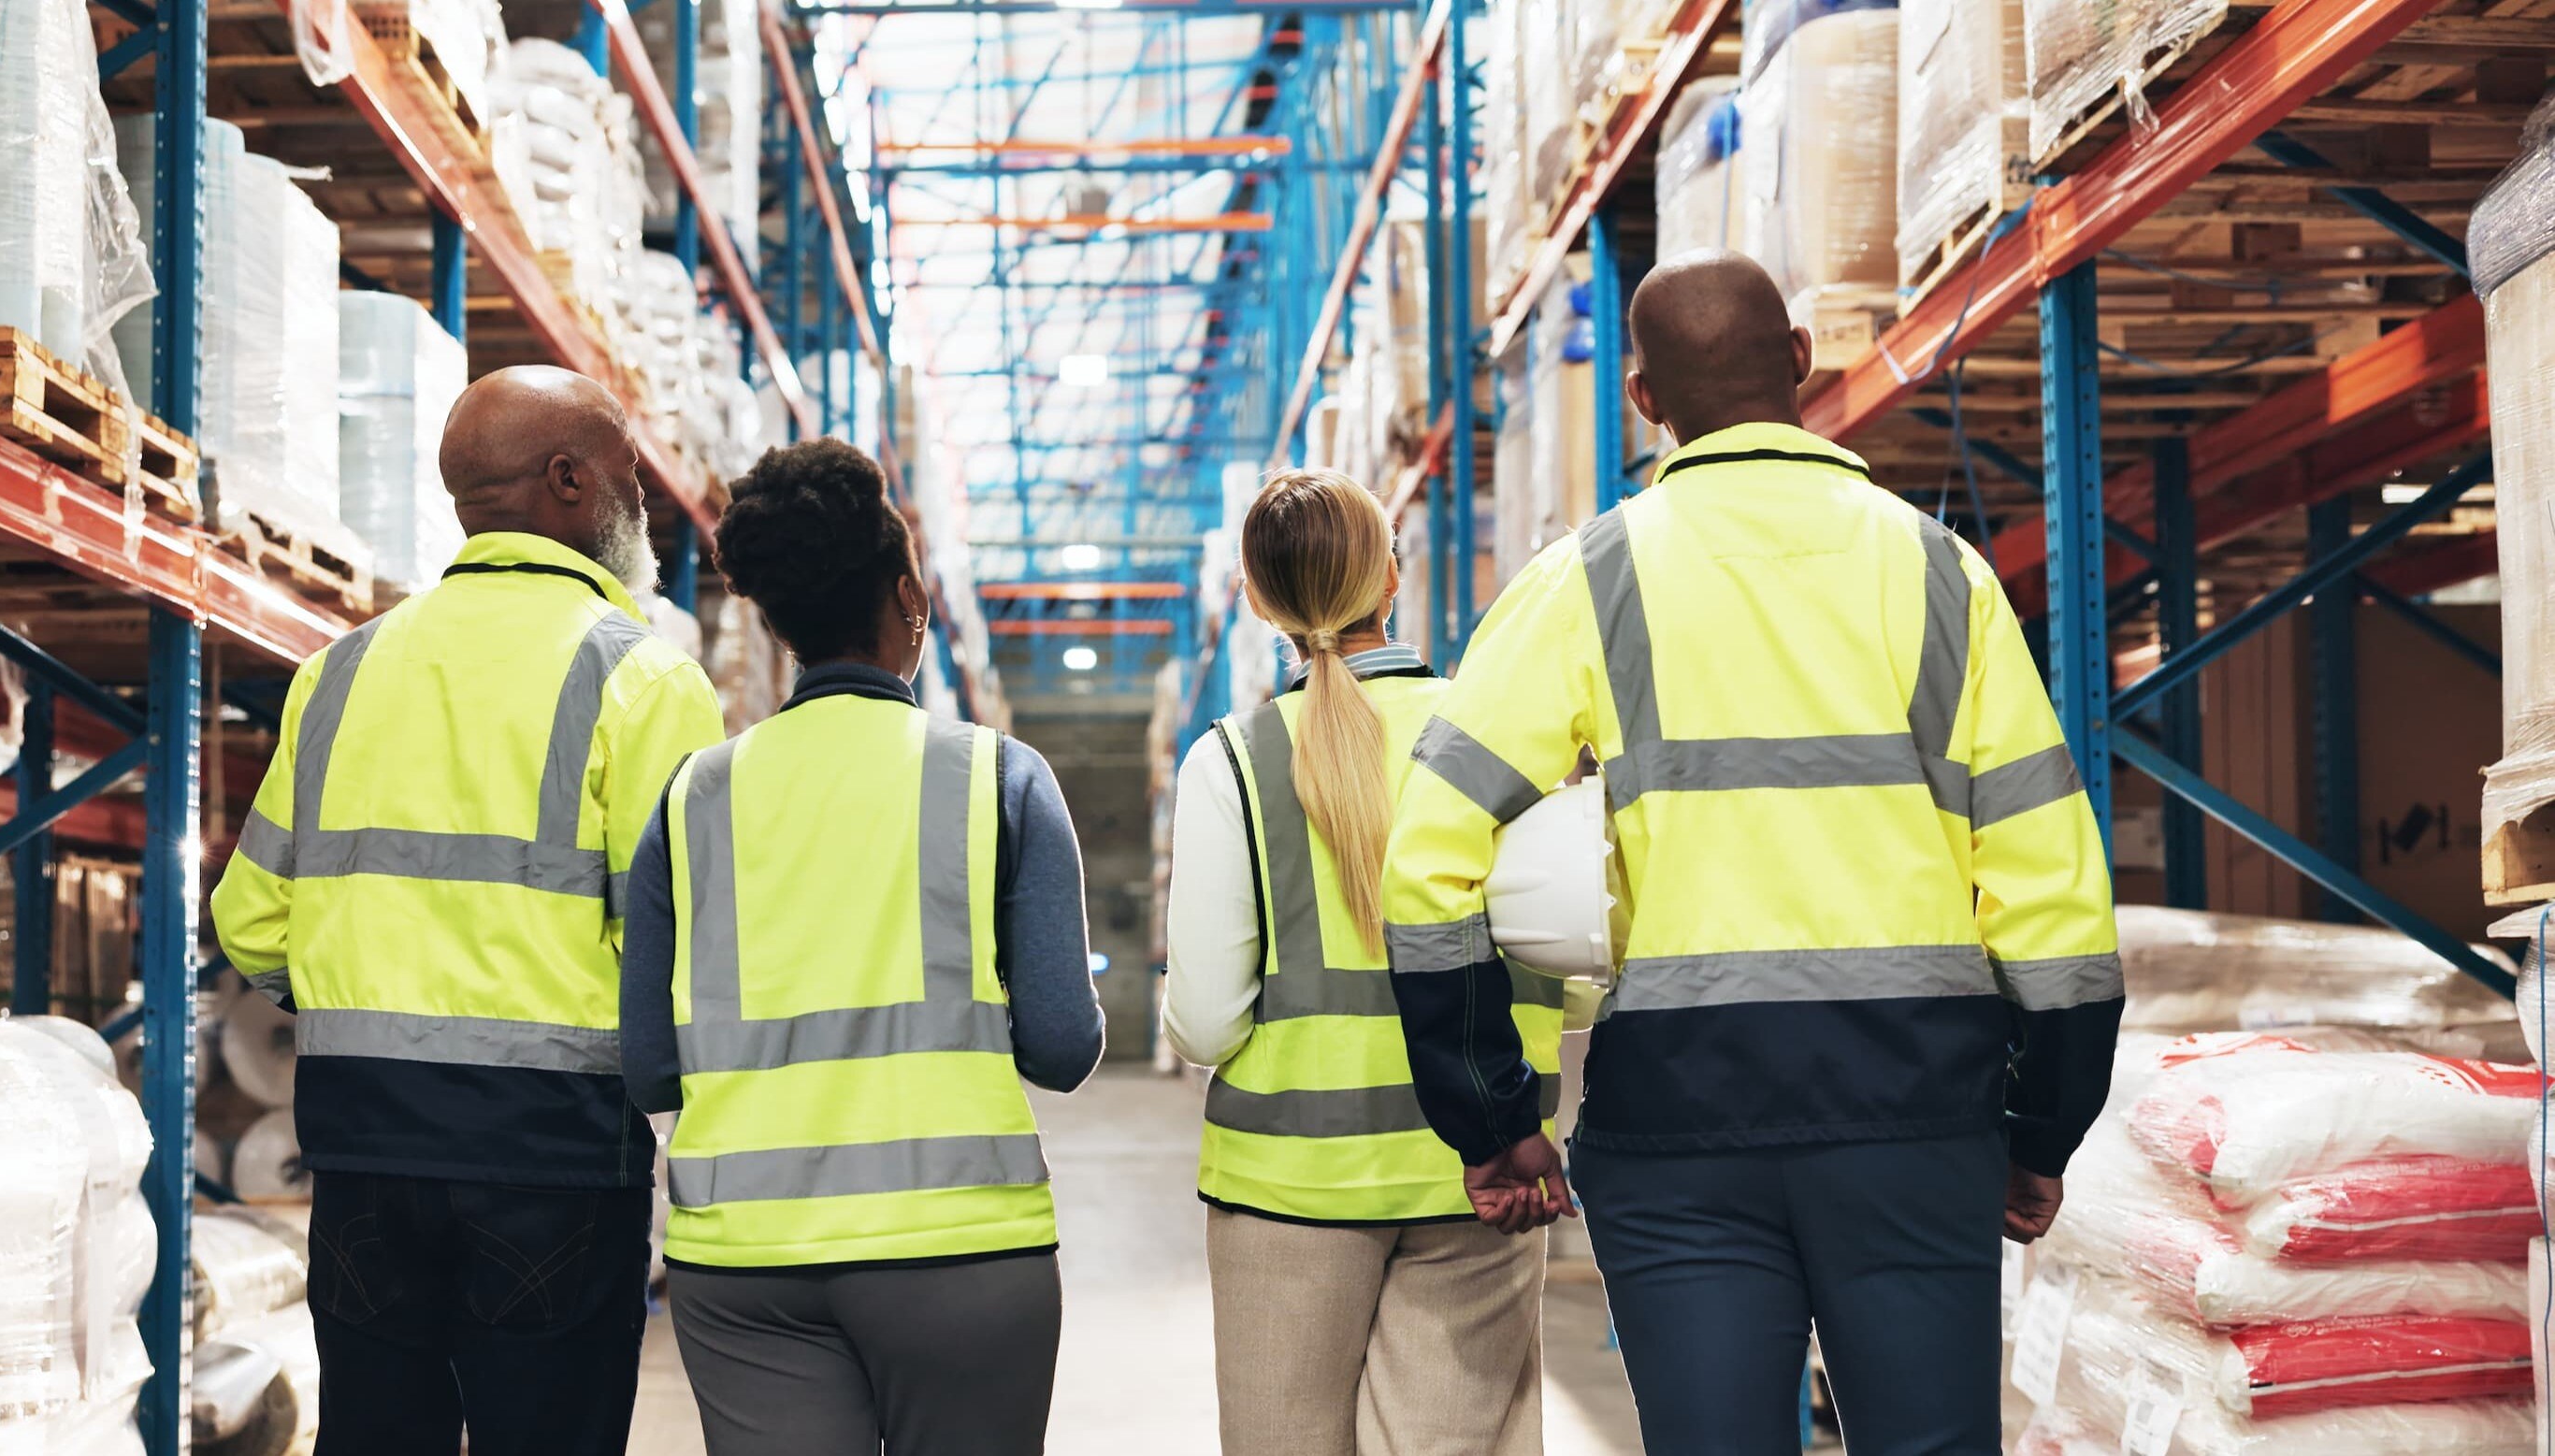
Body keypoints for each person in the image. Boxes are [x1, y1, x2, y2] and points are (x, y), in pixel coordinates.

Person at [1379, 253, 2122, 1454]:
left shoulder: (1587, 578)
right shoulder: (1943, 576)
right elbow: (2054, 895)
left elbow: (1425, 866)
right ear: (1798, 360)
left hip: (1678, 1129)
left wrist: (1492, 1113)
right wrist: (2040, 1129)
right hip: (1916, 1117)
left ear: (1640, 397)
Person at [212, 366, 729, 1455]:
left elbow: (253, 921)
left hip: (358, 1148)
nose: (638, 499)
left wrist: (370, 1010)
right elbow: (680, 952)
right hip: (552, 1157)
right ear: (570, 481)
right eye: (631, 475)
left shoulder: (338, 673)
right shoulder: (642, 679)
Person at [618, 438, 1104, 1456]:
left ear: (775, 619)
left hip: (745, 1264)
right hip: (962, 1256)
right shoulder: (999, 780)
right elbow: (1062, 1047)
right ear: (908, 597)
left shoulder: (693, 797)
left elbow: (652, 1067)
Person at [1162, 469, 1574, 1456]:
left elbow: (1208, 1021)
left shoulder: (1232, 759)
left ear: (1258, 604)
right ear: (1394, 577)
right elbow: (1577, 967)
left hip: (1286, 1188)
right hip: (1476, 1168)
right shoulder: (1495, 736)